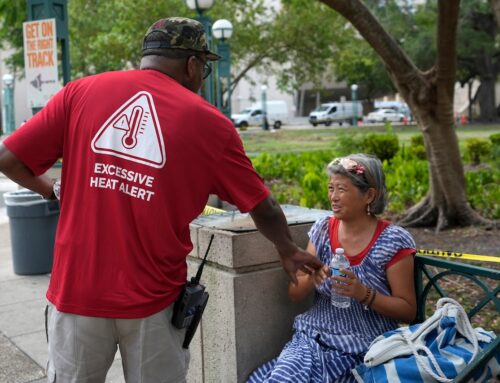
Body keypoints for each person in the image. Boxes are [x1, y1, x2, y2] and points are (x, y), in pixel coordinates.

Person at [0, 17, 322, 383]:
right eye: (205, 68)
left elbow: (8, 159)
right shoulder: (210, 124)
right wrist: (286, 249)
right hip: (153, 301)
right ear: (192, 65)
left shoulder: (81, 92)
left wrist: (53, 190)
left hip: (77, 292)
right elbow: (262, 205)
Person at [247, 153, 417, 383]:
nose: (333, 197)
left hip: (364, 348)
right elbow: (294, 293)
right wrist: (312, 278)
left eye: (342, 190)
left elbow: (408, 311)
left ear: (369, 195)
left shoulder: (392, 240)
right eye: (331, 188)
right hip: (312, 339)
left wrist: (362, 293)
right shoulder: (323, 230)